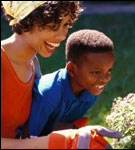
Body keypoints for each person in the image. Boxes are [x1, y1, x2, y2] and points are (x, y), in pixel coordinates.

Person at [1, 1, 93, 149]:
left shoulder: (32, 64)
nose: (63, 36)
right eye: (53, 26)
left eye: (66, 25)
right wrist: (50, 142)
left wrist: (69, 131)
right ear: (27, 19)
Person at [28, 29, 121, 148]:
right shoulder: (48, 94)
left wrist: (73, 129)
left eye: (109, 70)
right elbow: (26, 140)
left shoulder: (90, 90)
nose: (105, 78)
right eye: (96, 72)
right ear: (72, 69)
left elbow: (64, 127)